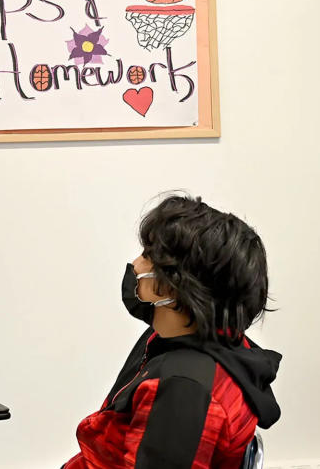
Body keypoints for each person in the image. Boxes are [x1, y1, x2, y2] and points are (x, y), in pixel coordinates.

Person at [64, 195, 281, 468]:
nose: (135, 264)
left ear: (175, 284)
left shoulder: (183, 388)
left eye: (146, 256)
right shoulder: (215, 341)